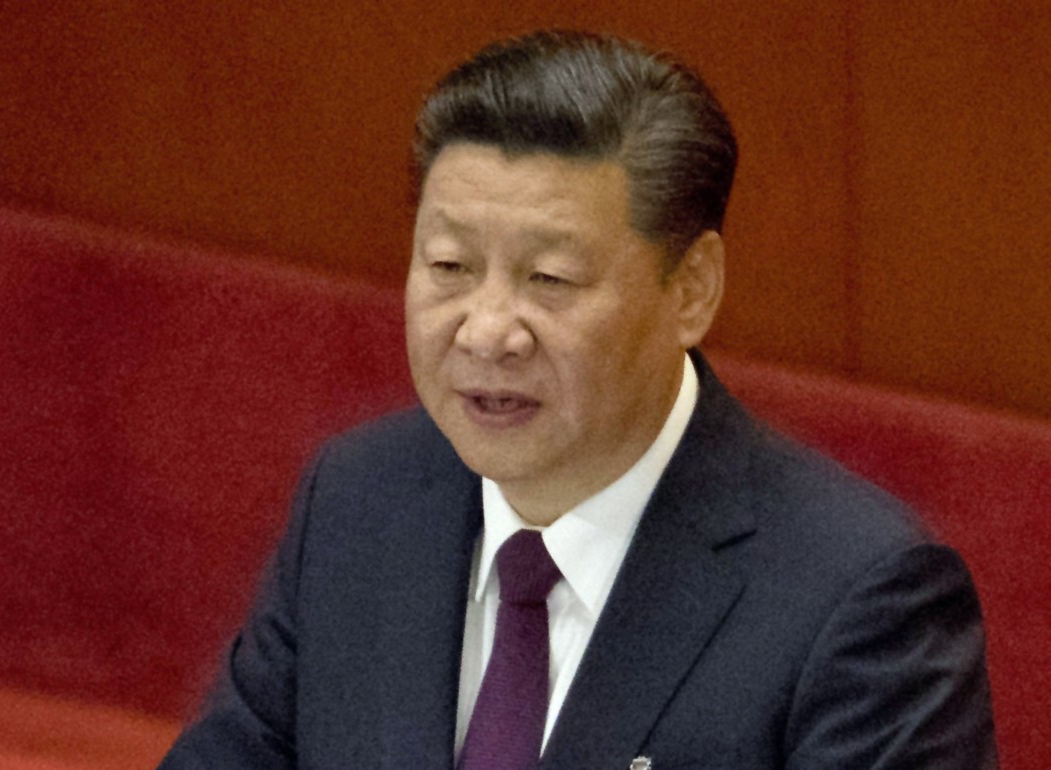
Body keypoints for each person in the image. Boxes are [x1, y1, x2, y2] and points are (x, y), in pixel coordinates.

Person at [159, 30, 996, 769]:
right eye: (448, 267)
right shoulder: (360, 499)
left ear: (692, 290)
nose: (486, 331)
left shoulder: (854, 598)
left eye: (549, 279)